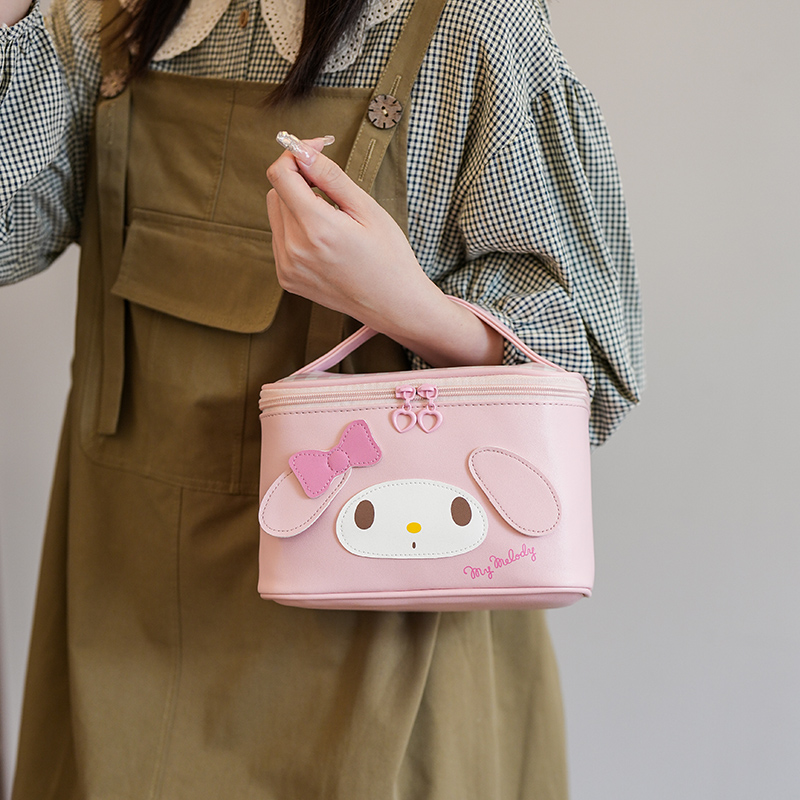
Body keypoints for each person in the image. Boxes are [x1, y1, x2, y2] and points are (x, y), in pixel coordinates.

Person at [0, 0, 644, 797]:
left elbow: (587, 367)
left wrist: (407, 305)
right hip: (124, 636)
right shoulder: (109, 16)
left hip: (387, 666)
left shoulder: (469, 24)